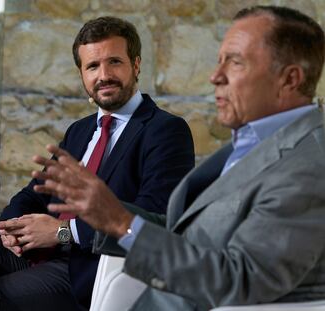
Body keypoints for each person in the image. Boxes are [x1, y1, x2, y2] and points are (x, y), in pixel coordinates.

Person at [29, 5, 325, 311]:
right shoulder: (253, 144)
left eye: (235, 63)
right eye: (219, 61)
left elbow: (241, 280)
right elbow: (179, 228)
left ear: (290, 79)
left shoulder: (309, 167)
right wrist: (108, 214)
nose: (215, 76)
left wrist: (120, 223)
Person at [0, 17, 195, 311]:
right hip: (32, 254)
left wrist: (62, 232)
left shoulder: (164, 129)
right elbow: (35, 193)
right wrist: (10, 228)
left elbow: (153, 219)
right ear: (82, 73)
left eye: (114, 62)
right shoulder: (81, 130)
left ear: (135, 65)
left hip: (85, 266)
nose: (104, 75)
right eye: (93, 66)